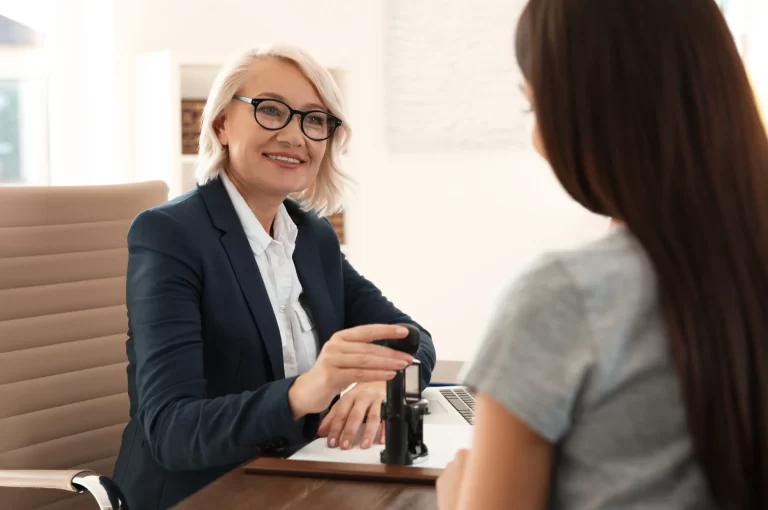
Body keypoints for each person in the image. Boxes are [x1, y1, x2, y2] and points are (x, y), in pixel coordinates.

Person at [437, 0, 768, 509]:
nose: (537, 139)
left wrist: (457, 493)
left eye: (534, 107)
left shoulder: (564, 296)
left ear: (587, 112)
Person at [113, 44, 436, 509]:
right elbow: (171, 431)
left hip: (295, 477)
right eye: (270, 110)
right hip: (201, 494)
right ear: (221, 124)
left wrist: (383, 384)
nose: (294, 135)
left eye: (314, 119)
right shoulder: (170, 235)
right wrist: (305, 392)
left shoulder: (312, 235)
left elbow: (411, 337)